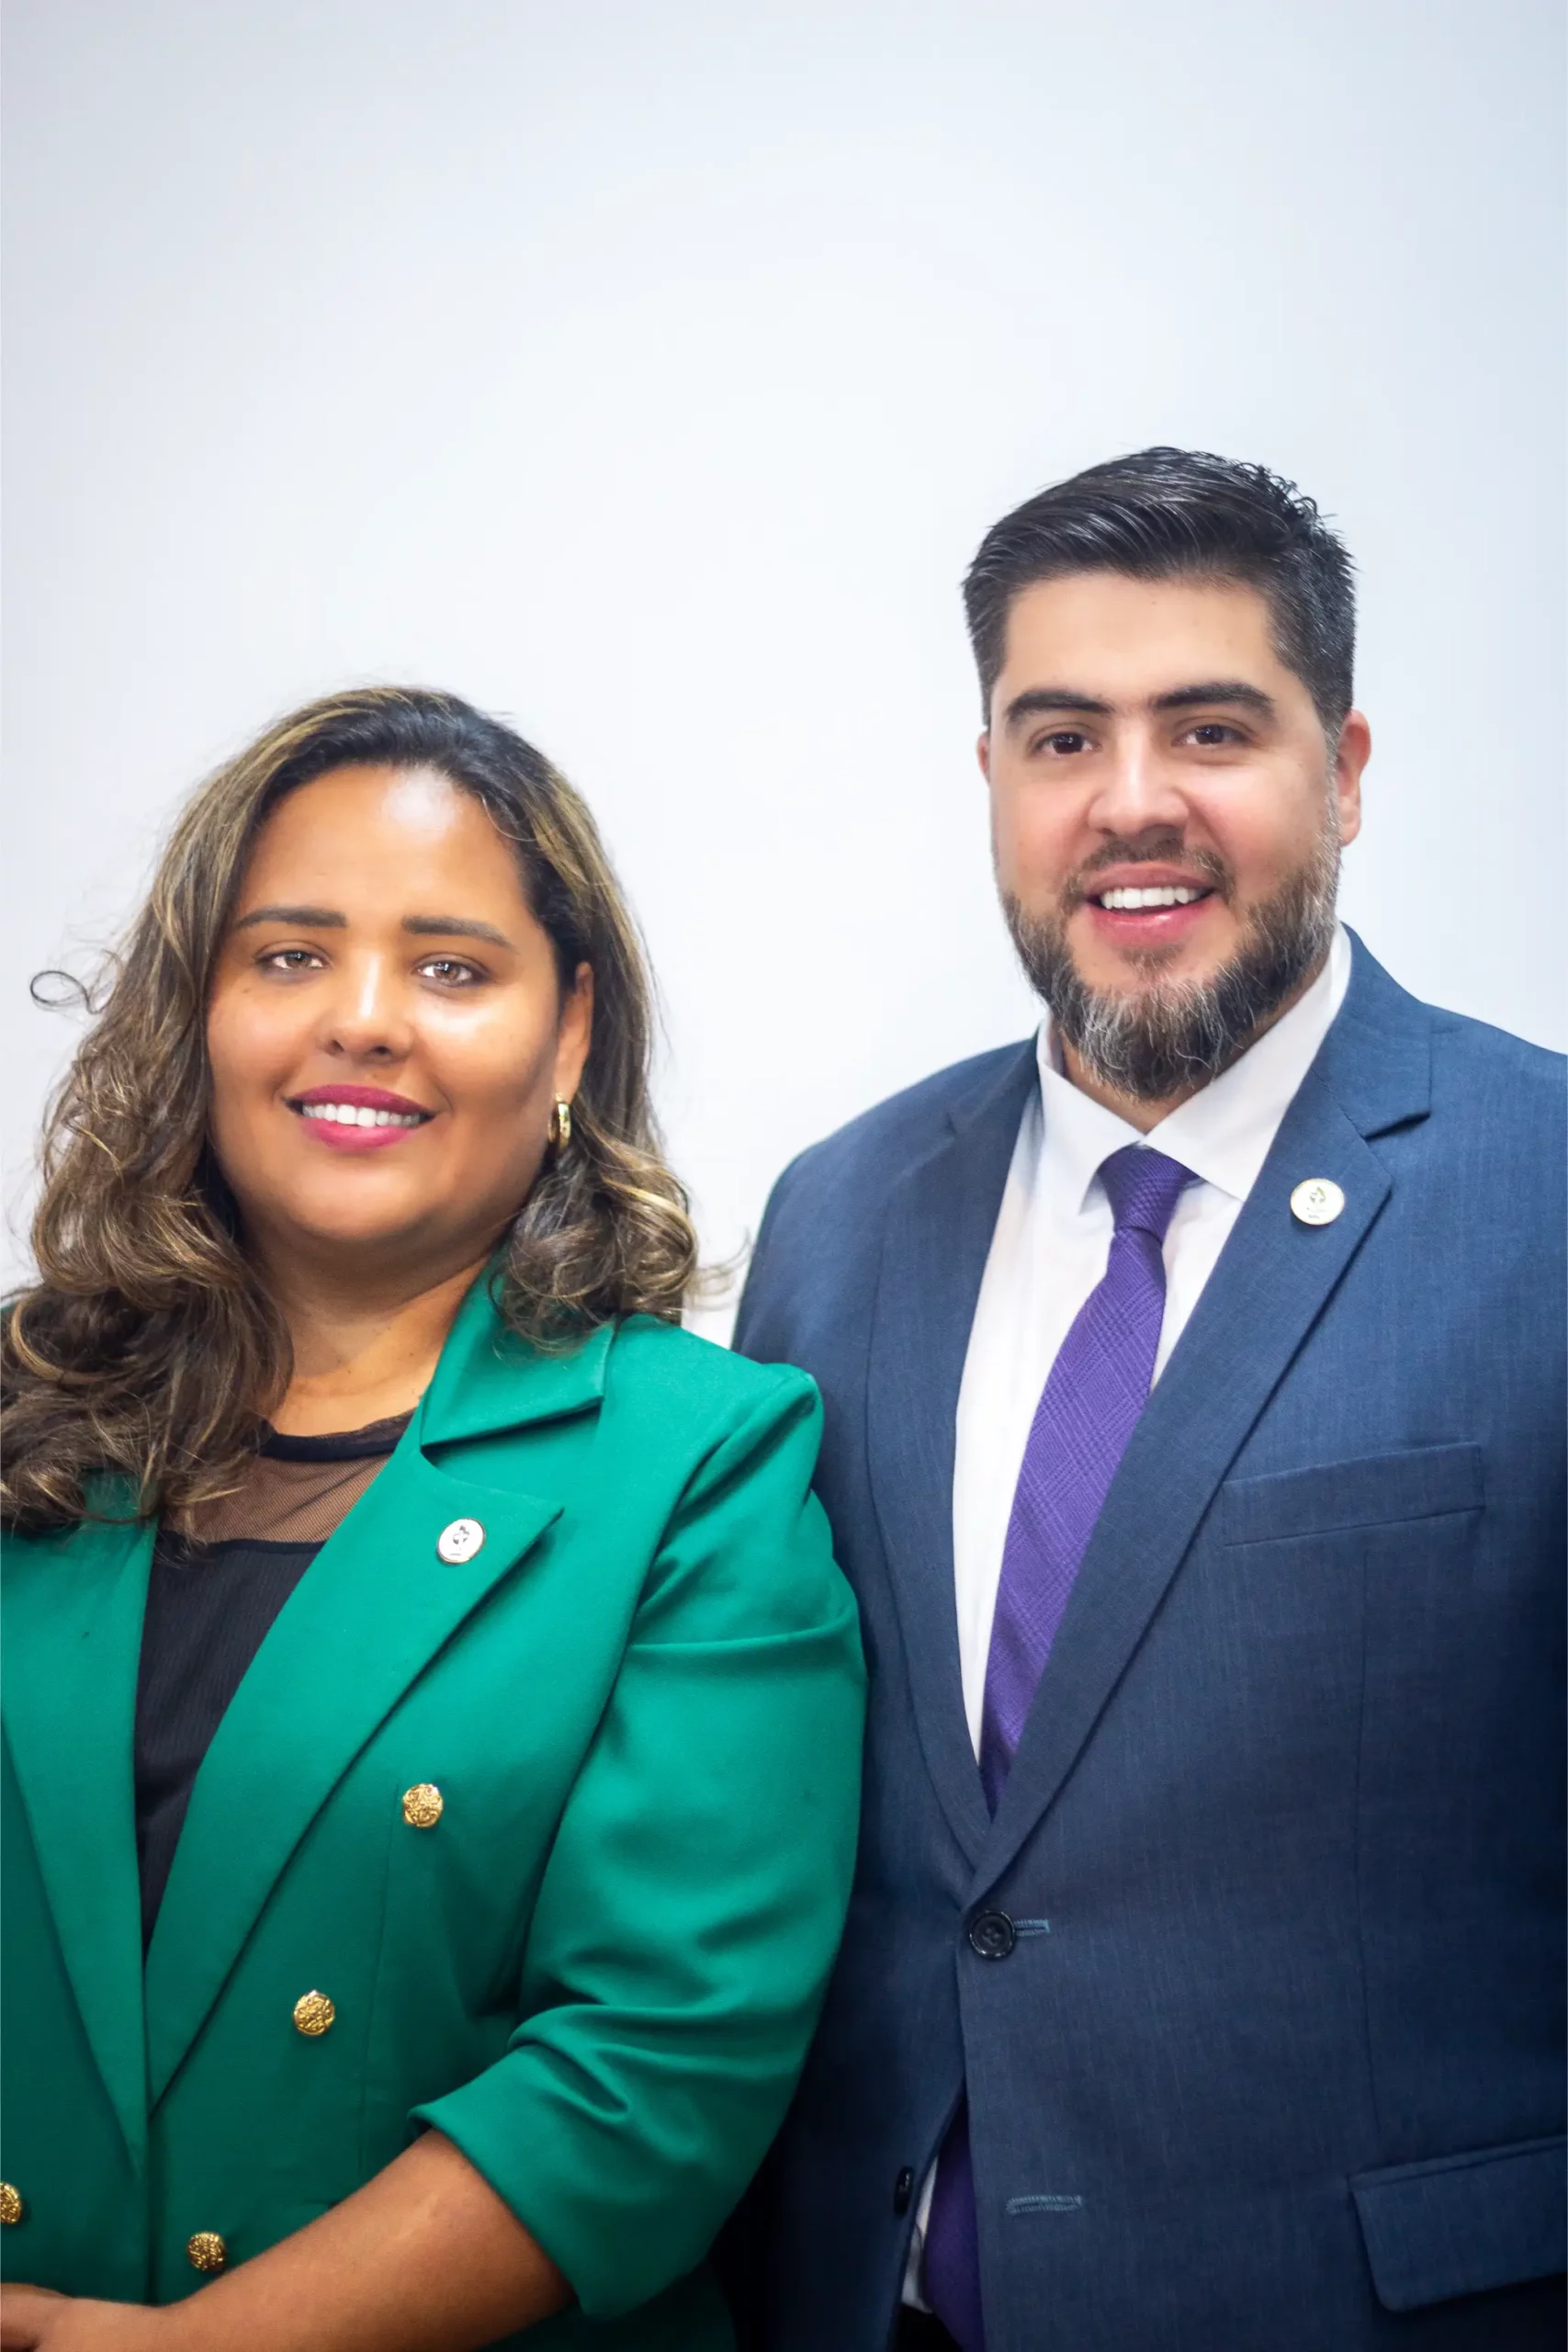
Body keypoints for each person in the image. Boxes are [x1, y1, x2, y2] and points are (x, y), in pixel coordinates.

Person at [731, 450, 1565, 2350]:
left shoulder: (1543, 1188)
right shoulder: (837, 1217)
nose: (1129, 802)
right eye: (1060, 738)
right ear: (990, 780)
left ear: (1343, 770)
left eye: (1209, 728)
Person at [0, 685, 864, 2352]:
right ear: (198, 1011)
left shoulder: (698, 1461)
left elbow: (653, 2068)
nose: (364, 1021)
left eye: (452, 969)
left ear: (569, 1033)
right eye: (289, 955)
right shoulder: (21, 1411)